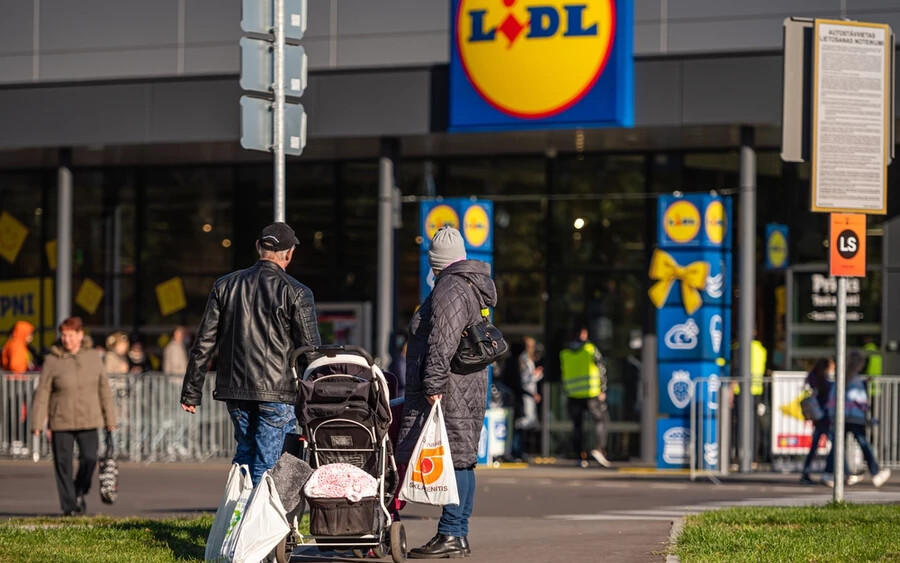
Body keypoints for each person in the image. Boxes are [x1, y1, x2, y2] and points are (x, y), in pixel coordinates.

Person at [180, 222, 321, 486]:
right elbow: (309, 351)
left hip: (235, 390)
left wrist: (191, 391)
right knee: (270, 464)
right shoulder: (297, 291)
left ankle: (237, 519)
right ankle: (259, 524)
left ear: (258, 247)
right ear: (289, 254)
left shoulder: (225, 285)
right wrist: (318, 395)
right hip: (277, 391)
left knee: (245, 456)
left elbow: (204, 343)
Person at [397, 226, 497, 559]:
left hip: (451, 387)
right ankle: (457, 533)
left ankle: (452, 533)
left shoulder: (450, 286)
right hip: (466, 383)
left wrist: (433, 384)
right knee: (463, 460)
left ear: (436, 261)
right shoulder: (468, 284)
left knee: (456, 460)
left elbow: (443, 340)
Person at [30, 317, 117, 516]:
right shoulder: (52, 360)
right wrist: (37, 422)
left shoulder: (92, 357)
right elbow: (42, 392)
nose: (66, 339)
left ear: (80, 335)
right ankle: (69, 507)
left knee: (89, 459)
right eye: (64, 335)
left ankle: (79, 491)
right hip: (60, 420)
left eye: (70, 335)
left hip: (89, 418)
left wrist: (110, 420)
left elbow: (104, 388)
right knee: (63, 464)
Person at [822, 350, 892, 488]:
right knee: (863, 443)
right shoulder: (854, 378)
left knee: (838, 445)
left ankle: (828, 473)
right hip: (853, 417)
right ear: (858, 364)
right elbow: (858, 397)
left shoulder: (843, 377)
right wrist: (866, 408)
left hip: (841, 416)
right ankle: (875, 472)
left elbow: (834, 396)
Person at [560, 327, 610, 468]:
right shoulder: (590, 349)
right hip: (591, 393)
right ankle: (599, 449)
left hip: (573, 394)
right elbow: (602, 369)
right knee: (602, 419)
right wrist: (603, 389)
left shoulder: (564, 353)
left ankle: (580, 456)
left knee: (577, 427)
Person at [800, 357, 834, 484]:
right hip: (823, 416)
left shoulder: (813, 377)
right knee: (836, 445)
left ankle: (806, 472)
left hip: (817, 416)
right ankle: (832, 471)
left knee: (815, 445)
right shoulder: (823, 380)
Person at [511, 336, 543, 461]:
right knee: (522, 424)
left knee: (524, 424)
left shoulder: (526, 359)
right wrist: (536, 375)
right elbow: (525, 380)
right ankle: (517, 451)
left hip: (529, 395)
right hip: (526, 395)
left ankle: (520, 451)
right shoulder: (524, 359)